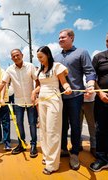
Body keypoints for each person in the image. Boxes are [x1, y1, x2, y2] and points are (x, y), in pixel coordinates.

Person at [54, 29, 96, 170]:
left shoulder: (82, 53)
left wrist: (90, 85)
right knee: (62, 125)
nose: (60, 40)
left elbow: (90, 72)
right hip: (59, 97)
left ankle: (74, 153)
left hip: (75, 97)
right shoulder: (55, 58)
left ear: (71, 38)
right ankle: (64, 149)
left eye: (63, 37)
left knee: (75, 125)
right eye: (59, 38)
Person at [0, 49, 39, 158]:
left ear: (22, 55)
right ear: (11, 58)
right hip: (18, 101)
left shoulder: (30, 66)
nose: (16, 57)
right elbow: (3, 83)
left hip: (31, 101)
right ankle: (21, 143)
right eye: (13, 56)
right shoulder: (10, 69)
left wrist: (35, 93)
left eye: (17, 55)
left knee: (32, 123)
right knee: (19, 123)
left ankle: (33, 145)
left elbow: (38, 80)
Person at [31, 46, 72, 175]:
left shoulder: (57, 66)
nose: (39, 60)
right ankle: (47, 155)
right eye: (38, 58)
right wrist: (34, 91)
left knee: (52, 130)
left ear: (47, 55)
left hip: (54, 100)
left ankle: (52, 164)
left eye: (41, 57)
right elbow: (42, 86)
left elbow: (63, 82)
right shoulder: (40, 70)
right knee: (43, 129)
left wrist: (68, 88)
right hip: (42, 100)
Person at [89, 33, 108, 172]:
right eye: (107, 40)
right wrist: (99, 92)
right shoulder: (99, 57)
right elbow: (92, 76)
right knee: (101, 129)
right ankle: (102, 159)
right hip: (102, 99)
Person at [80, 81, 96, 157]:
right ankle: (78, 144)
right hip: (77, 101)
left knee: (92, 124)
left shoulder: (92, 71)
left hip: (90, 101)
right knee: (77, 124)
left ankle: (93, 146)